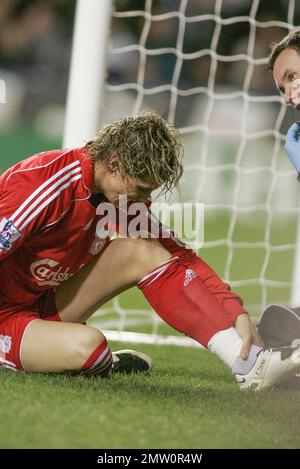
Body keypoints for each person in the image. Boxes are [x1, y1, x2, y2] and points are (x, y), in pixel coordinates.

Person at [1, 111, 299, 390]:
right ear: (115, 163)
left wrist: (236, 313)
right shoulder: (42, 185)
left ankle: (246, 363)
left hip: (39, 301)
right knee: (90, 349)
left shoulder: (119, 199)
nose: (144, 200)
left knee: (143, 251)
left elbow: (180, 256)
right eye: (141, 189)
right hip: (4, 315)